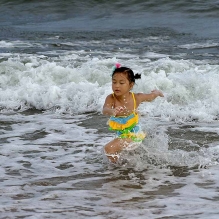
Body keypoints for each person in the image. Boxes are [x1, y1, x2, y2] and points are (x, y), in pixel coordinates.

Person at [102, 63, 164, 163]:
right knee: (121, 153)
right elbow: (105, 109)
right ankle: (122, 170)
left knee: (109, 149)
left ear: (131, 85)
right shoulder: (111, 98)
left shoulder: (136, 97)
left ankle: (117, 170)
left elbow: (150, 96)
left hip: (134, 134)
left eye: (121, 83)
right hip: (123, 134)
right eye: (114, 82)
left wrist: (157, 93)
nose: (117, 86)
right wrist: (111, 111)